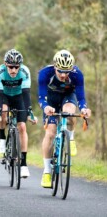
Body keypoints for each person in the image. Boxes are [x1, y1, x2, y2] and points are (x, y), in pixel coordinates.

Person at [38, 49, 91, 188]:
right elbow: (41, 97)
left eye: (66, 71)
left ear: (71, 68)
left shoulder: (77, 75)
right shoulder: (45, 74)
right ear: (55, 66)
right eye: (60, 70)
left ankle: (71, 138)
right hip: (50, 99)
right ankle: (47, 172)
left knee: (69, 113)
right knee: (50, 133)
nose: (63, 74)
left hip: (68, 96)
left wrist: (84, 108)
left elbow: (81, 97)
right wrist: (45, 107)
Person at [0, 49, 37, 178]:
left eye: (16, 67)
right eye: (10, 67)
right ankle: (1, 136)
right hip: (4, 96)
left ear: (20, 66)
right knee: (4, 112)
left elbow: (26, 93)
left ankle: (23, 164)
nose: (13, 70)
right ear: (5, 64)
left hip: (19, 97)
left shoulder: (24, 72)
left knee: (22, 127)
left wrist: (29, 112)